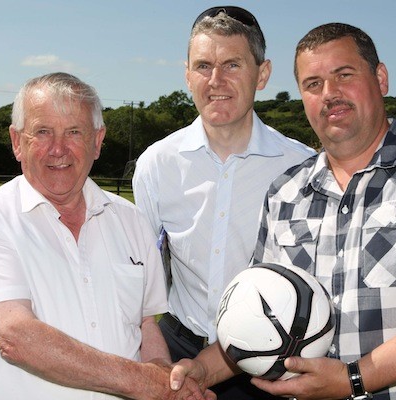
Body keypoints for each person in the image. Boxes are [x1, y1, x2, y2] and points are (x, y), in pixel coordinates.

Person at [170, 22, 396, 399]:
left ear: (380, 78)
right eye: (313, 84)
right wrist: (202, 369)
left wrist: (354, 378)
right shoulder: (286, 193)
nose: (329, 94)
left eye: (344, 75)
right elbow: (259, 313)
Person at [0, 72, 209, 400]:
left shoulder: (130, 220)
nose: (58, 149)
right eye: (42, 132)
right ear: (17, 141)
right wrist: (145, 382)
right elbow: (15, 336)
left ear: (97, 141)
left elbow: (145, 324)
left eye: (74, 132)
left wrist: (166, 381)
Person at [132, 6, 315, 400]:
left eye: (232, 64)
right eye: (203, 65)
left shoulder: (301, 165)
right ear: (187, 75)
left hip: (271, 358)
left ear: (262, 74)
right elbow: (138, 274)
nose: (216, 80)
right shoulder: (157, 163)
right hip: (179, 347)